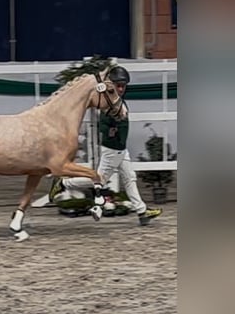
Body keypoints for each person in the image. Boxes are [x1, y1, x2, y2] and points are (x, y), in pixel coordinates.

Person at [49, 65, 162, 226]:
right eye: (118, 86)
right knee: (99, 180)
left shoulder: (116, 100)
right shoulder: (109, 104)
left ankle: (142, 211)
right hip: (113, 149)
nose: (121, 89)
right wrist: (112, 129)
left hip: (121, 149)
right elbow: (104, 125)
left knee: (130, 178)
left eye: (123, 86)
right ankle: (64, 183)